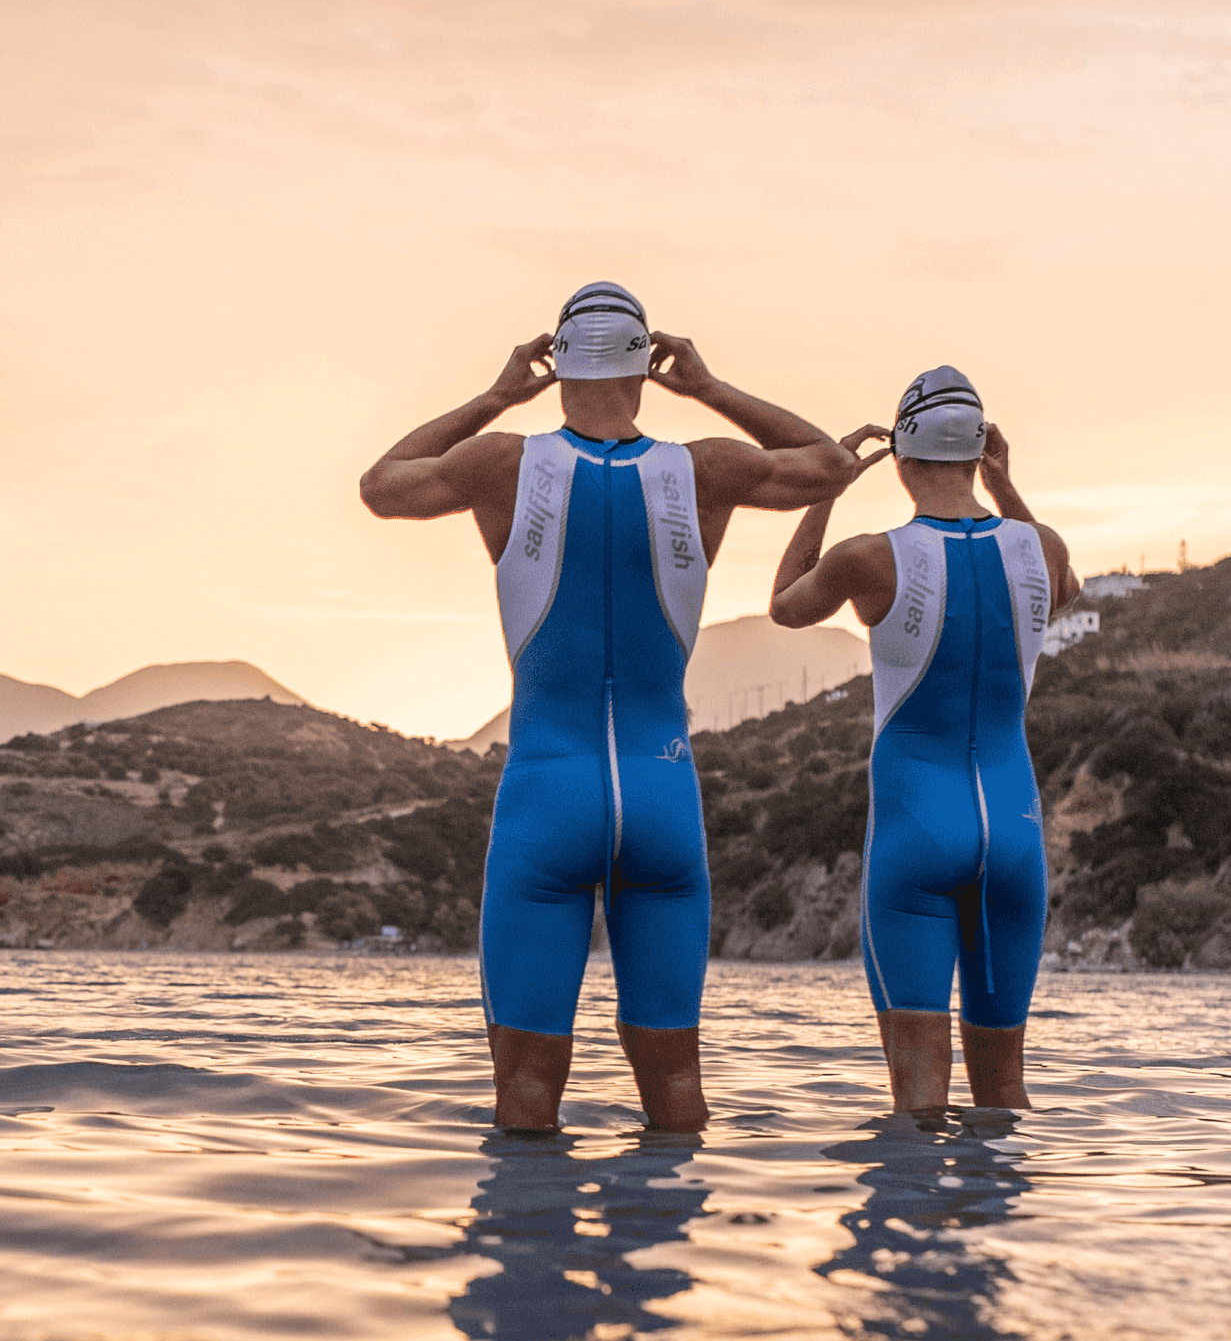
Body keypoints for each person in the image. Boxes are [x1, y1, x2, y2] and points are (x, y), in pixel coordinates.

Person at [358, 283, 852, 1134]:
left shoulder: (503, 463)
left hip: (546, 795)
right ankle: (662, 1256)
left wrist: (493, 397)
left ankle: (530, 1258)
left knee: (525, 1091)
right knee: (676, 1086)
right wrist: (707, 388)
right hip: (661, 799)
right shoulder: (706, 467)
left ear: (555, 365)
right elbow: (830, 463)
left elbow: (380, 485)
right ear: (642, 363)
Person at [769, 366, 1079, 1119]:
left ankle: (917, 1234)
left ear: (901, 459)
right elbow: (1062, 590)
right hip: (1013, 833)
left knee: (919, 1101)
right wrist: (1004, 488)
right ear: (981, 451)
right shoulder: (1039, 546)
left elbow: (784, 606)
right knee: (1006, 1094)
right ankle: (998, 1236)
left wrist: (827, 488)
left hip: (916, 834)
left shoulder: (871, 556)